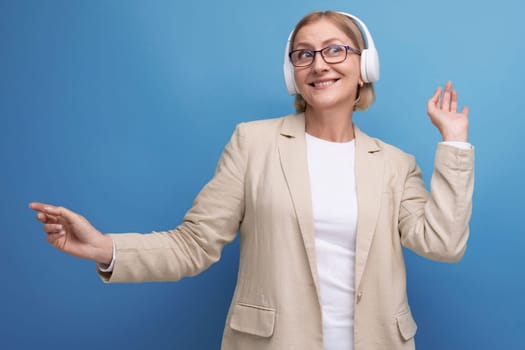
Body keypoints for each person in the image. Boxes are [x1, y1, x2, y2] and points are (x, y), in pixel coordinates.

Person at [30, 10, 474, 350]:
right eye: (304, 54)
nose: (319, 64)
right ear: (293, 73)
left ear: (366, 66)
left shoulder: (396, 164)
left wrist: (454, 144)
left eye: (335, 50)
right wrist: (105, 247)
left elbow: (443, 243)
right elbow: (194, 244)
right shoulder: (253, 143)